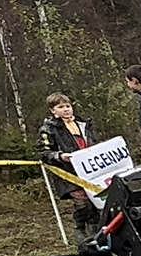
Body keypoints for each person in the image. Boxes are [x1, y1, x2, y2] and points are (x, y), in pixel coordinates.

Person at [37, 93, 104, 240]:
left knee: (96, 203)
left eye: (68, 106)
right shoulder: (48, 129)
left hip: (91, 171)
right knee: (82, 204)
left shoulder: (84, 124)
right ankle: (80, 230)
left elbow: (95, 142)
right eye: (61, 107)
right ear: (53, 110)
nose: (66, 109)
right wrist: (59, 156)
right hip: (69, 174)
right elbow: (43, 152)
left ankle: (96, 233)